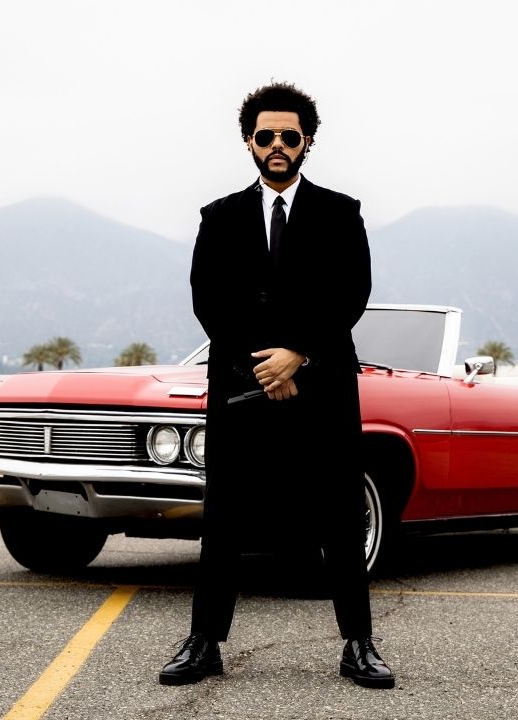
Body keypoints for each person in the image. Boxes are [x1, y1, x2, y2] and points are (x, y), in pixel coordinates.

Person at [159, 82, 393, 690]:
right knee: (226, 518)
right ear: (249, 142)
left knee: (340, 517)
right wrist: (266, 368)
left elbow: (351, 294)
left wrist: (298, 354)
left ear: (307, 141)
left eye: (291, 136)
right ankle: (204, 643)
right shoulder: (219, 218)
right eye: (267, 136)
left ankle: (359, 645)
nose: (278, 145)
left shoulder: (343, 213)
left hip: (323, 391)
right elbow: (209, 302)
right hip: (241, 388)